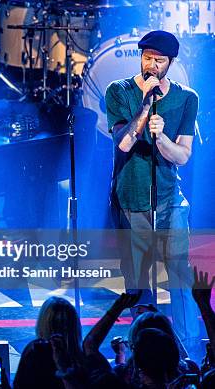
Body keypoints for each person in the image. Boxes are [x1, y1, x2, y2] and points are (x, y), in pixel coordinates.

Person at [105, 30, 200, 355]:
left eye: (159, 61)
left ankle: (188, 353)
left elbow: (183, 156)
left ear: (171, 63)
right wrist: (145, 104)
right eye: (147, 58)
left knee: (180, 281)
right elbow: (124, 143)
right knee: (138, 284)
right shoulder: (119, 91)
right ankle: (140, 353)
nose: (152, 66)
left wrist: (162, 140)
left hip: (171, 202)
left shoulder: (187, 98)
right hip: (132, 199)